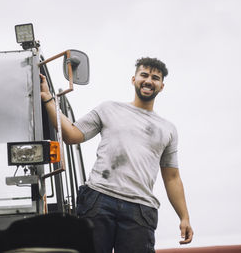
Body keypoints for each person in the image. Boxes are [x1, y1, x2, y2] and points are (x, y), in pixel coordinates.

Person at [40, 57, 193, 253]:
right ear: (133, 79)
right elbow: (71, 134)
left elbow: (172, 178)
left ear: (161, 86)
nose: (148, 81)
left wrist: (184, 217)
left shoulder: (168, 129)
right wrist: (47, 97)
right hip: (99, 199)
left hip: (140, 210)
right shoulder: (108, 108)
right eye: (144, 75)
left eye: (155, 78)